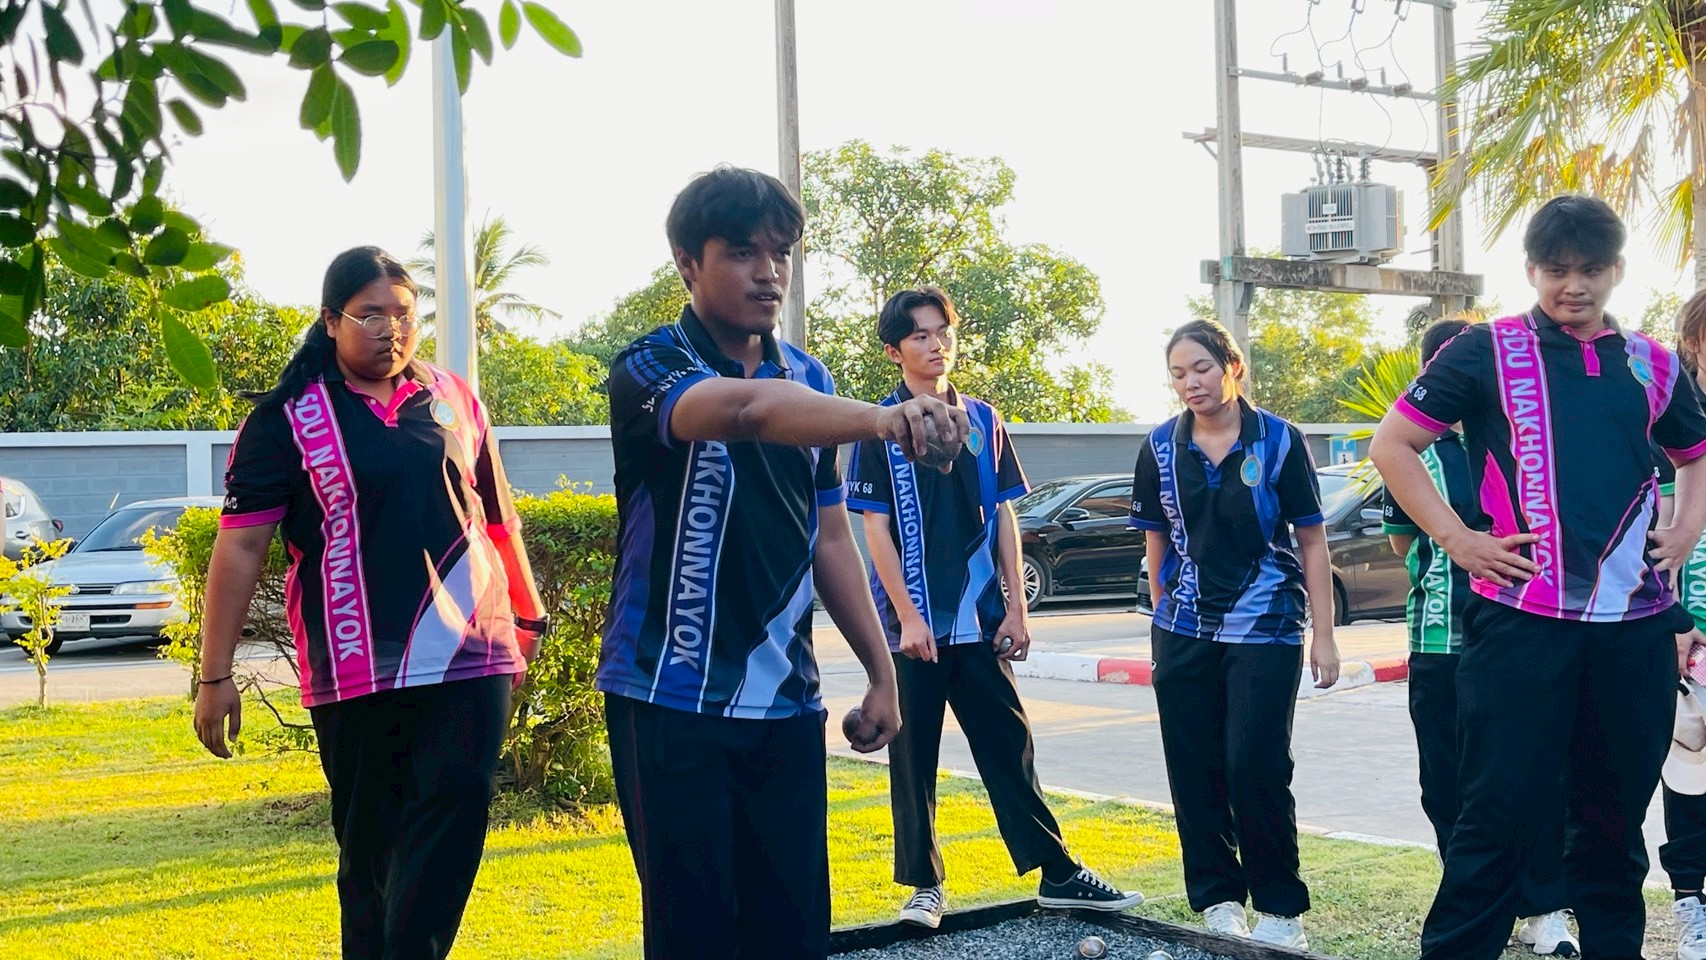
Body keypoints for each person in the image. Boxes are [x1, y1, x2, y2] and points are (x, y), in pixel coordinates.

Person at [598, 167, 971, 960]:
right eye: (742, 252)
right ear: (687, 262)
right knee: (694, 937)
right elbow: (743, 410)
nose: (768, 272)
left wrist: (881, 674)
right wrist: (884, 419)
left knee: (793, 934)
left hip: (785, 704)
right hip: (667, 694)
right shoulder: (650, 365)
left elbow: (830, 536)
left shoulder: (810, 379)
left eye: (780, 253)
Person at [1370, 195, 1706, 960]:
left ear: (1617, 270)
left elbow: (1695, 454)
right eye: (1556, 270)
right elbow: (1393, 445)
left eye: (1591, 270)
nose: (1573, 286)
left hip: (1633, 632)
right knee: (1496, 820)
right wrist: (1458, 540)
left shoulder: (1652, 363)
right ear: (1530, 270)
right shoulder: (1484, 350)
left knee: (1614, 828)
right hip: (1521, 623)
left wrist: (1686, 528)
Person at [192, 246, 548, 960]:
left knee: (454, 820)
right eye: (371, 315)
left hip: (472, 653)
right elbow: (241, 547)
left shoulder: (453, 398)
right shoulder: (285, 420)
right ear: (331, 321)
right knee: (371, 850)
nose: (392, 330)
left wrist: (528, 614)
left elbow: (496, 518)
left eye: (406, 315)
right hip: (357, 666)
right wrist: (214, 674)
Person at [844, 287, 1142, 929]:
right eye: (920, 335)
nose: (936, 344)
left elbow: (1005, 513)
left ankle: (1057, 872)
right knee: (913, 758)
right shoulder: (880, 427)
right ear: (895, 351)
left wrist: (1016, 608)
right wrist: (908, 616)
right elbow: (874, 530)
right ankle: (923, 887)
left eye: (943, 332)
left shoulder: (983, 419)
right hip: (912, 631)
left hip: (980, 624)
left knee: (1010, 747)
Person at [1129, 318, 1340, 950]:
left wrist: (1324, 635)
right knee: (1193, 765)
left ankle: (1280, 908)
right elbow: (1155, 537)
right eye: (1178, 373)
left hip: (1267, 625)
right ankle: (1218, 898)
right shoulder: (1160, 446)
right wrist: (1163, 608)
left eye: (1201, 368)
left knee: (1256, 763)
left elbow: (1311, 540)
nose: (1190, 382)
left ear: (1232, 367)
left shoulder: (1279, 440)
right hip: (1183, 629)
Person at [1383, 316, 1577, 957]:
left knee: (1532, 776)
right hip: (1440, 643)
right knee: (1446, 784)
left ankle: (1545, 907)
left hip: (1521, 639)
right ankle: (1473, 904)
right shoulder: (1413, 456)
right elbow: (1403, 545)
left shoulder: (1529, 448)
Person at [1660, 289, 1706, 960]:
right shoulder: (1675, 418)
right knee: (1691, 764)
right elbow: (1665, 529)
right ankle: (1691, 902)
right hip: (1694, 626)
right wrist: (1675, 618)